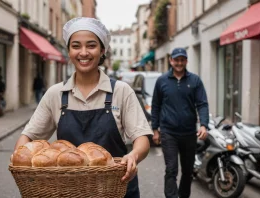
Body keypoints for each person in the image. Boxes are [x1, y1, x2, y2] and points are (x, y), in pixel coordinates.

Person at [12, 17, 152, 198]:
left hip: (117, 188)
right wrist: (20, 158)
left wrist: (133, 156)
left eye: (91, 45)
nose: (83, 52)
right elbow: (29, 137)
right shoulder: (56, 94)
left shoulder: (120, 91)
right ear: (69, 51)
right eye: (76, 46)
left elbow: (142, 140)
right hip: (70, 191)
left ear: (103, 50)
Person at [151, 47, 209, 198]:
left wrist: (203, 124)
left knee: (188, 171)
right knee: (171, 169)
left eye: (182, 60)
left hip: (189, 133)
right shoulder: (162, 81)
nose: (179, 63)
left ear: (186, 61)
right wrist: (155, 129)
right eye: (176, 60)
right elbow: (156, 105)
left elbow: (202, 103)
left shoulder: (195, 80)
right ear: (171, 61)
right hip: (168, 132)